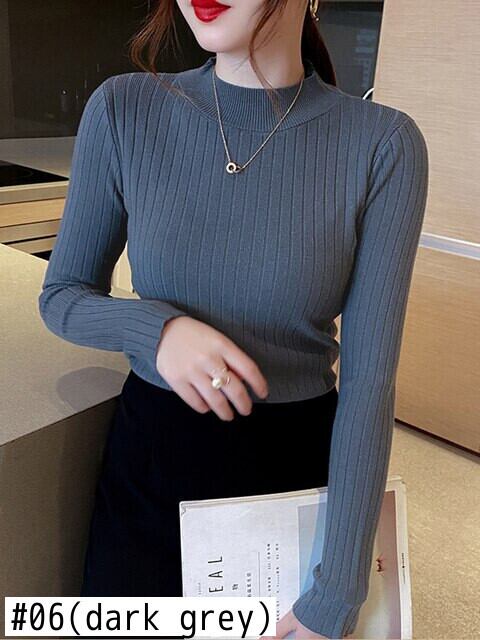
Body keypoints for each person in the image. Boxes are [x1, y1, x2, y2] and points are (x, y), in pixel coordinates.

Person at [37, 0, 429, 638]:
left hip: (290, 483)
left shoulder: (383, 143)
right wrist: (156, 331)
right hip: (150, 471)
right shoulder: (124, 109)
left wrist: (339, 587)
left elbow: (369, 385)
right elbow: (63, 296)